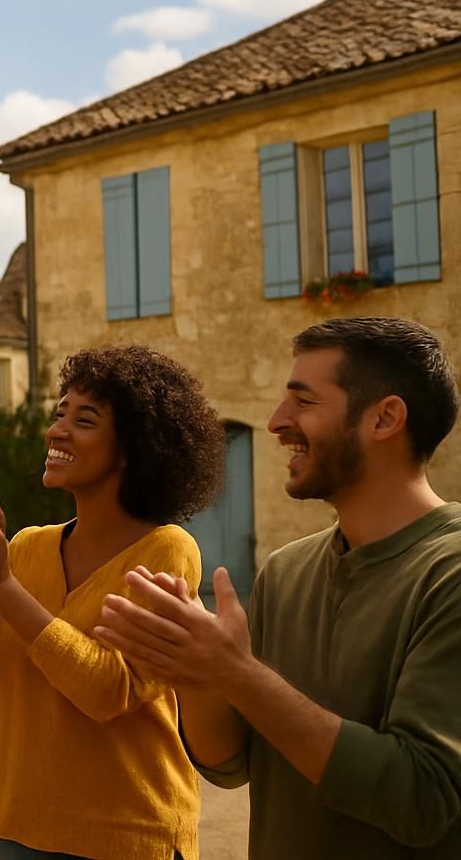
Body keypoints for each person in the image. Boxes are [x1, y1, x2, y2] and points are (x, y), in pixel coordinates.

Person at [96, 317, 461, 858]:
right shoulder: (287, 571)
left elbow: (422, 798)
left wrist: (236, 674)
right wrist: (193, 675)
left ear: (385, 418)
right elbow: (231, 762)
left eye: (304, 402)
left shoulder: (448, 573)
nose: (275, 422)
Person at [0, 346, 225, 860]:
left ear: (134, 447)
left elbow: (108, 690)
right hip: (11, 830)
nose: (56, 431)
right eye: (58, 413)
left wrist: (0, 584)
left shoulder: (167, 550)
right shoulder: (25, 549)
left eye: (83, 420)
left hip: (127, 835)